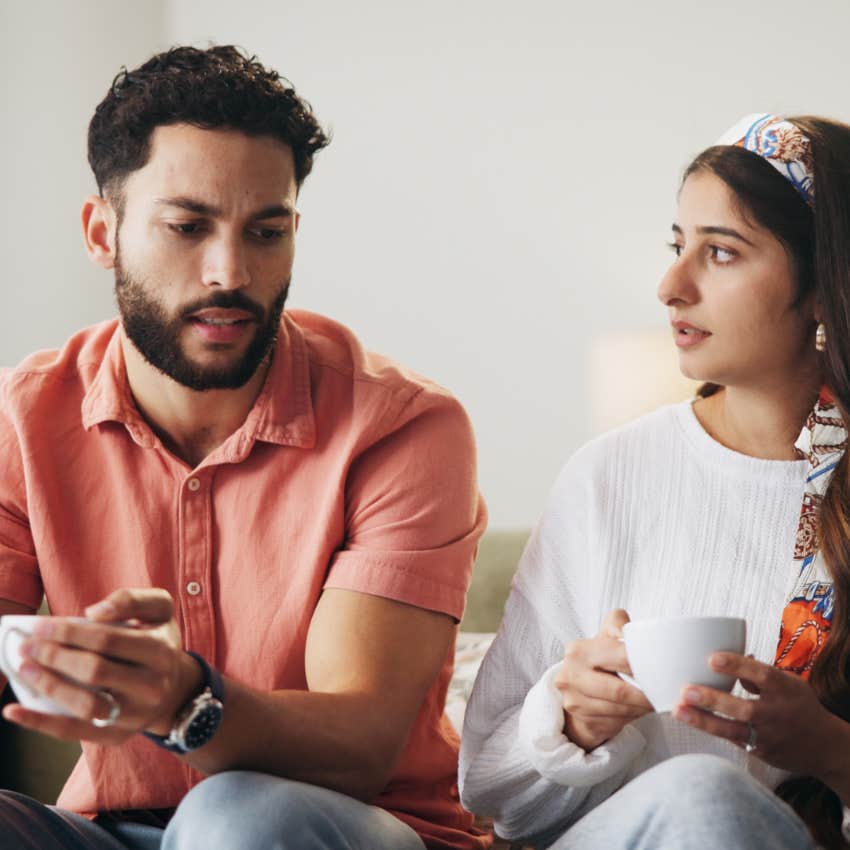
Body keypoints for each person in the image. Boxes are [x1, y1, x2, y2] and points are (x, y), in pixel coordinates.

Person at [0, 45, 490, 850]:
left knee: (237, 818)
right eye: (187, 227)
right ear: (101, 232)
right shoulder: (22, 419)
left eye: (265, 232)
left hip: (335, 825)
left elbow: (359, 745)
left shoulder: (401, 428)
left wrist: (182, 700)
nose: (229, 272)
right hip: (109, 831)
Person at [459, 113, 850, 850]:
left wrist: (832, 752)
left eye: (721, 253)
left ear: (824, 287)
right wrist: (571, 722)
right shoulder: (608, 477)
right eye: (678, 247)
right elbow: (487, 789)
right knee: (699, 793)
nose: (671, 287)